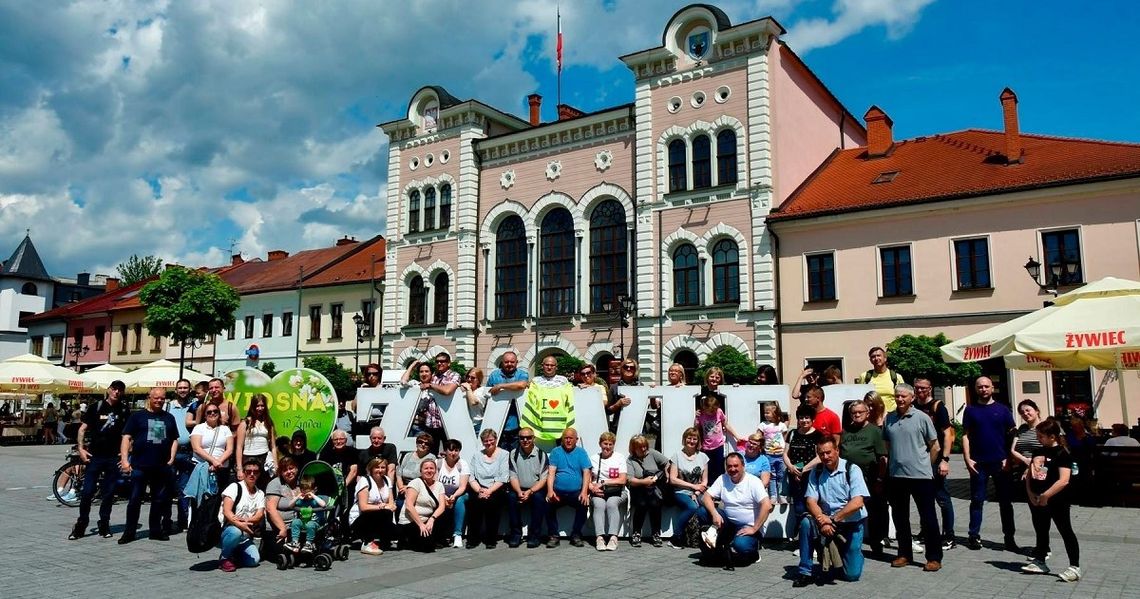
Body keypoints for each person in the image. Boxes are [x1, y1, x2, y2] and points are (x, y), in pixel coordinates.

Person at [882, 383, 943, 572]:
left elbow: (935, 446)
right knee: (900, 517)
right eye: (897, 396)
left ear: (912, 398)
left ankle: (934, 557)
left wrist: (925, 465)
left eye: (904, 396)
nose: (900, 399)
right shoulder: (889, 418)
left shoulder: (922, 418)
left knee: (928, 518)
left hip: (921, 477)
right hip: (896, 476)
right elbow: (887, 445)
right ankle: (904, 554)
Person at [794, 437, 870, 587]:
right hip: (826, 521)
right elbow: (810, 501)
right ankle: (805, 571)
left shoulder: (852, 469)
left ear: (837, 451)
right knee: (806, 523)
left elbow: (857, 502)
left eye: (828, 452)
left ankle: (851, 554)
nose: (825, 457)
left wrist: (833, 519)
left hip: (850, 523)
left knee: (852, 575)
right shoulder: (816, 471)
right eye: (821, 454)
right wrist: (822, 520)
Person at [69, 380, 131, 541]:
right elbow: (82, 429)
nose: (116, 392)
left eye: (120, 390)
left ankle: (104, 523)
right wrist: (81, 449)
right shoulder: (96, 407)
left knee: (109, 493)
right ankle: (81, 524)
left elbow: (128, 435)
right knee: (87, 492)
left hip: (113, 458)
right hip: (95, 457)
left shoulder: (124, 409)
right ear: (109, 390)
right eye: (114, 389)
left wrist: (125, 454)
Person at [1022, 418, 1082, 582]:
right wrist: (1030, 493)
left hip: (1057, 499)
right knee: (1041, 529)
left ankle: (1074, 567)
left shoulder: (1062, 453)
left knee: (1065, 530)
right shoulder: (1038, 451)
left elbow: (1064, 480)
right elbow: (1030, 474)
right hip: (1037, 498)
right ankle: (1040, 560)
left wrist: (1046, 495)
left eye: (1041, 436)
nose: (1038, 439)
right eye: (1037, 436)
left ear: (1052, 436)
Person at [961, 376, 1017, 551]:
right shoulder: (970, 410)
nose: (983, 389)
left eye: (986, 386)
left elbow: (1013, 434)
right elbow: (965, 435)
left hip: (1001, 462)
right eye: (980, 387)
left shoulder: (1003, 410)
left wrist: (1009, 457)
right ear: (975, 389)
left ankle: (1009, 538)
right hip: (978, 463)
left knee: (1005, 502)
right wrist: (967, 458)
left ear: (992, 388)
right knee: (977, 501)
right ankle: (973, 536)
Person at [117, 387, 179, 544]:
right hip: (139, 466)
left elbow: (174, 439)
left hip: (160, 466)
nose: (159, 401)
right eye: (156, 398)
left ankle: (155, 530)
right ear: (149, 398)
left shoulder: (169, 418)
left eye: (162, 398)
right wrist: (124, 460)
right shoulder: (137, 416)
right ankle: (129, 532)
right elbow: (126, 438)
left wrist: (172, 457)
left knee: (158, 500)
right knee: (134, 500)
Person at [698, 453, 772, 569]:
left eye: (736, 466)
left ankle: (753, 552)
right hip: (728, 523)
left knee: (741, 546)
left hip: (748, 526)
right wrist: (714, 514)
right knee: (703, 512)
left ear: (743, 466)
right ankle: (716, 549)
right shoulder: (723, 478)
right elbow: (706, 497)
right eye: (729, 466)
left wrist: (754, 528)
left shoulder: (753, 482)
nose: (732, 469)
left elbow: (767, 506)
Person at [839, 399, 888, 554]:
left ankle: (877, 542)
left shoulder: (874, 431)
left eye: (860, 412)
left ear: (867, 413)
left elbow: (883, 457)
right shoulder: (846, 431)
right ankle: (847, 542)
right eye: (854, 413)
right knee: (849, 509)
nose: (857, 415)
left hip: (870, 477)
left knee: (874, 511)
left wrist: (880, 478)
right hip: (848, 478)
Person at [913, 376, 956, 551]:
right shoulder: (913, 406)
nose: (920, 390)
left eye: (923, 388)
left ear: (930, 388)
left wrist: (945, 460)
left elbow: (948, 434)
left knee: (942, 498)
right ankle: (926, 531)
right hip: (919, 460)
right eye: (917, 387)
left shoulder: (938, 407)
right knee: (924, 498)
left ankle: (949, 536)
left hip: (936, 459)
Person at [545, 426, 591, 547]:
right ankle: (553, 536)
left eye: (571, 438)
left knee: (583, 504)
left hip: (576, 492)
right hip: (558, 492)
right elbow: (551, 472)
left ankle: (576, 535)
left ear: (576, 439)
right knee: (547, 505)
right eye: (566, 438)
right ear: (562, 439)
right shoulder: (556, 452)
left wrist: (584, 492)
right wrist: (550, 491)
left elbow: (586, 472)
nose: (568, 440)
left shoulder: (581, 453)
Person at [218, 458, 266, 572]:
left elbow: (259, 515)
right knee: (236, 532)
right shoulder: (234, 487)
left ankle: (234, 552)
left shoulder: (260, 493)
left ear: (259, 474)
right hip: (229, 530)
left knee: (254, 561)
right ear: (243, 473)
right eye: (248, 471)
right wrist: (240, 524)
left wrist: (244, 521)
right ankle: (224, 557)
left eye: (255, 472)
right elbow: (227, 511)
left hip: (245, 536)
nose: (252, 474)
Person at [506, 427, 550, 548]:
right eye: (522, 438)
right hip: (518, 488)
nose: (525, 440)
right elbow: (513, 476)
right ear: (518, 439)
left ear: (533, 438)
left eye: (528, 437)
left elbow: (543, 479)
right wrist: (519, 492)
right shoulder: (513, 454)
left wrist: (530, 491)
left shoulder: (541, 454)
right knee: (511, 498)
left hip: (535, 489)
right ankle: (516, 534)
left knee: (539, 499)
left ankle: (534, 536)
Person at [466, 429, 510, 548]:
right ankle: (473, 539)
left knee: (492, 504)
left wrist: (489, 491)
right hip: (479, 488)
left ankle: (491, 539)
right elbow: (471, 477)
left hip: (496, 488)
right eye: (485, 441)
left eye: (491, 440)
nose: (488, 443)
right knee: (474, 504)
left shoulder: (504, 454)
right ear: (482, 442)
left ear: (496, 440)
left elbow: (503, 477)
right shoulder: (477, 455)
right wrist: (479, 490)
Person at [785, 404, 823, 536]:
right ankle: (800, 536)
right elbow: (785, 454)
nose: (804, 420)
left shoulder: (818, 435)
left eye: (807, 417)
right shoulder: (792, 433)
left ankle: (814, 535)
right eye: (801, 418)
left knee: (812, 505)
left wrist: (803, 469)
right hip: (794, 476)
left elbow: (819, 457)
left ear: (812, 419)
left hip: (811, 476)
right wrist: (791, 467)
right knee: (798, 506)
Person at [165, 378, 198, 532]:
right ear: (176, 390)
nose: (183, 390)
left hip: (188, 452)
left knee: (184, 489)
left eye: (186, 388)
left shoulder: (195, 406)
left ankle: (183, 521)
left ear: (190, 389)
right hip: (169, 453)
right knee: (167, 488)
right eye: (180, 388)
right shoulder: (168, 406)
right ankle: (166, 521)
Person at [522, 356, 575, 450]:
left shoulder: (563, 381)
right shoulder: (535, 381)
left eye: (552, 365)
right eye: (547, 365)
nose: (549, 367)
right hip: (541, 425)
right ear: (542, 366)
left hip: (560, 426)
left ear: (556, 367)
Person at [668, 427, 709, 548]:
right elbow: (673, 479)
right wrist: (693, 486)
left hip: (698, 492)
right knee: (692, 507)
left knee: (707, 508)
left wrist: (696, 492)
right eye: (689, 438)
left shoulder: (703, 457)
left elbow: (705, 480)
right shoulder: (676, 456)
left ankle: (703, 539)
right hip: (680, 491)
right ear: (684, 439)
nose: (691, 441)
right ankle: (676, 537)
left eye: (694, 439)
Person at [398, 459, 449, 552]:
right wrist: (421, 524)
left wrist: (432, 519)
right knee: (427, 547)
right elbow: (409, 506)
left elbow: (442, 506)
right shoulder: (415, 483)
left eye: (431, 468)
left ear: (435, 470)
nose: (429, 471)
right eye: (426, 468)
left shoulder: (439, 485)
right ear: (421, 471)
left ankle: (436, 538)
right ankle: (407, 540)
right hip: (412, 520)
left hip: (427, 519)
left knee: (444, 514)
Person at [626, 434, 668, 547]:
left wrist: (666, 475)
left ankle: (656, 533)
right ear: (634, 448)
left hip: (654, 487)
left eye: (644, 446)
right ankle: (636, 533)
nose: (643, 449)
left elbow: (667, 463)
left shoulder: (652, 453)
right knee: (641, 503)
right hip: (638, 487)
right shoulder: (630, 460)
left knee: (655, 503)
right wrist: (644, 482)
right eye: (640, 447)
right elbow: (630, 479)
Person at [589, 431, 628, 551]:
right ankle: (599, 538)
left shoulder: (619, 457)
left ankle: (613, 537)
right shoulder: (593, 458)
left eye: (610, 444)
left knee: (611, 503)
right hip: (598, 492)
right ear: (600, 444)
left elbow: (623, 480)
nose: (607, 447)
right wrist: (592, 488)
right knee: (599, 505)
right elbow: (588, 480)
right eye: (605, 444)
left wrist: (603, 482)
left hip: (617, 491)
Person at [350, 457, 397, 555]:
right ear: (371, 468)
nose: (380, 470)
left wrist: (391, 506)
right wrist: (381, 507)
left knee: (399, 532)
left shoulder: (387, 480)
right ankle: (367, 543)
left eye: (383, 467)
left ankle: (384, 540)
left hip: (381, 516)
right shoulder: (364, 480)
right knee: (383, 512)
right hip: (361, 518)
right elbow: (363, 507)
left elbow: (391, 503)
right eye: (377, 467)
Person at [486, 350, 530, 450]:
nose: (509, 364)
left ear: (516, 362)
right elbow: (488, 394)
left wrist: (500, 386)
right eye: (506, 362)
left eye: (512, 362)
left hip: (517, 424)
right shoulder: (494, 375)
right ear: (502, 362)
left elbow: (521, 385)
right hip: (497, 423)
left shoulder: (522, 374)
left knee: (515, 454)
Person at [695, 393, 741, 484]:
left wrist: (737, 436)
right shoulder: (701, 415)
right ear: (704, 408)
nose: (713, 412)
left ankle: (721, 485)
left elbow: (726, 424)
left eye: (714, 410)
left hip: (718, 445)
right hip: (706, 447)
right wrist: (698, 444)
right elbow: (697, 428)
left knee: (720, 467)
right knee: (708, 468)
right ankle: (709, 486)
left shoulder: (719, 412)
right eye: (710, 411)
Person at [402, 361, 445, 454]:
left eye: (426, 371)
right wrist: (413, 365)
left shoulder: (435, 387)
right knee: (408, 452)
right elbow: (403, 382)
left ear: (432, 373)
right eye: (421, 371)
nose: (424, 374)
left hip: (427, 427)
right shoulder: (414, 384)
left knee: (425, 453)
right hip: (410, 425)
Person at [190, 402, 235, 492]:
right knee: (202, 495)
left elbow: (229, 449)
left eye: (215, 411)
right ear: (204, 415)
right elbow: (196, 448)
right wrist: (213, 461)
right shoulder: (199, 428)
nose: (212, 413)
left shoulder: (225, 429)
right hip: (202, 466)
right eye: (209, 412)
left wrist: (218, 462)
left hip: (221, 468)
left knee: (219, 495)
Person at [235, 393, 277, 486]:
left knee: (264, 485)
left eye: (262, 406)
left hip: (264, 458)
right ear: (253, 407)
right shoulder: (245, 423)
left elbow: (273, 446)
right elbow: (239, 447)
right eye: (257, 406)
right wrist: (239, 468)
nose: (260, 408)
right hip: (248, 458)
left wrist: (275, 464)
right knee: (248, 486)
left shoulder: (269, 423)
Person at [436, 438, 470, 548]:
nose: (453, 453)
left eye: (456, 450)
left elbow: (463, 486)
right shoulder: (438, 463)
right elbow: (435, 484)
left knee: (460, 501)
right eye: (450, 450)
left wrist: (453, 496)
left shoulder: (462, 464)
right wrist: (444, 497)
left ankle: (457, 534)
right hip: (441, 493)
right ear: (445, 451)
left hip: (458, 494)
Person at [263, 456, 300, 561]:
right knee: (285, 554)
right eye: (285, 470)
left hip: (296, 528)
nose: (289, 472)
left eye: (291, 468)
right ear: (281, 472)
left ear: (296, 468)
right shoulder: (275, 484)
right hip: (277, 529)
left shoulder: (301, 483)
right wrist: (282, 528)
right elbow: (270, 509)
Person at [285, 476, 328, 552]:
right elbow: (290, 505)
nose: (307, 495)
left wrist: (313, 495)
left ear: (315, 490)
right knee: (295, 521)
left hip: (316, 523)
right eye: (304, 493)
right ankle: (295, 542)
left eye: (309, 492)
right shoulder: (302, 501)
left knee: (310, 524)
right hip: (303, 522)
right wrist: (297, 497)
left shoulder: (317, 499)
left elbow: (323, 504)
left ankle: (309, 543)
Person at [856, 346, 906, 412]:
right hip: (872, 414)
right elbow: (860, 398)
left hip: (892, 415)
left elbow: (903, 396)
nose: (876, 358)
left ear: (885, 358)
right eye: (873, 357)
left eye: (878, 355)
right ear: (870, 360)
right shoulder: (864, 377)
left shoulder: (896, 377)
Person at [1010, 399, 1044, 490]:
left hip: (1041, 467)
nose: (1025, 413)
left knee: (1039, 493)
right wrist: (1025, 460)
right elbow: (1013, 450)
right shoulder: (1022, 428)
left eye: (1028, 410)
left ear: (1037, 411)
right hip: (1021, 467)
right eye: (1022, 412)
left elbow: (1048, 450)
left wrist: (1031, 464)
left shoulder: (1045, 427)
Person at [757, 402, 787, 501]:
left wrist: (784, 450)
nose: (765, 414)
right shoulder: (763, 425)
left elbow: (784, 438)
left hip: (780, 454)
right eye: (765, 412)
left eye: (768, 412)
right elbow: (758, 436)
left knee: (782, 475)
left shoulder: (782, 425)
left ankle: (782, 495)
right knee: (772, 475)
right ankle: (773, 495)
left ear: (775, 413)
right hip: (769, 454)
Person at [397, 433, 437, 504]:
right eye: (420, 442)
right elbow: (399, 474)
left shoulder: (431, 458)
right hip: (403, 489)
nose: (423, 444)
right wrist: (401, 487)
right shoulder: (408, 455)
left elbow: (428, 477)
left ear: (429, 446)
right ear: (416, 443)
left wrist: (409, 488)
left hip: (420, 489)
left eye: (426, 443)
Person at [606, 358, 640, 433]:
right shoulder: (614, 387)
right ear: (622, 369)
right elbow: (608, 411)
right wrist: (617, 404)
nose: (628, 369)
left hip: (637, 425)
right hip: (619, 426)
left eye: (632, 367)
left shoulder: (641, 386)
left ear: (635, 370)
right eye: (626, 367)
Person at [460, 368, 489, 433]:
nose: (469, 379)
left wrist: (468, 388)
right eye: (468, 377)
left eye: (473, 378)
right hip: (464, 425)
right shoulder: (464, 390)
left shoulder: (481, 391)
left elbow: (473, 402)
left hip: (477, 425)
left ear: (478, 380)